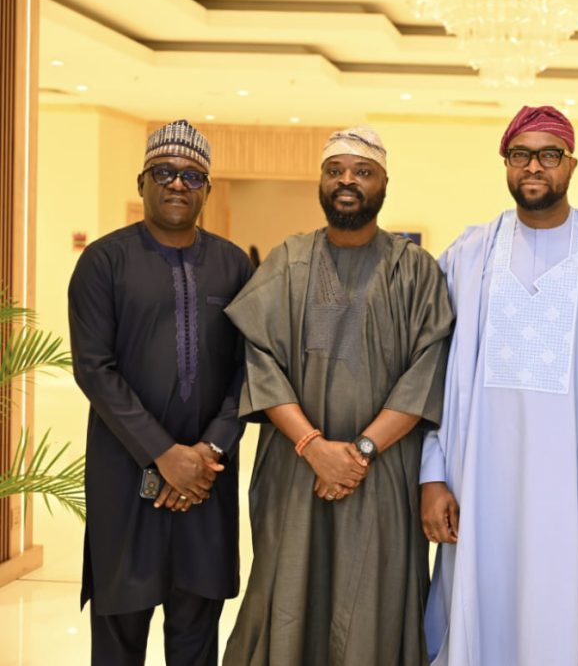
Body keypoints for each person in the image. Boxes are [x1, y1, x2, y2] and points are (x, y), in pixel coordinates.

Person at [421, 105, 578, 665]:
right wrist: (433, 474)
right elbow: (432, 371)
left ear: (571, 164)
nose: (534, 167)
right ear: (505, 163)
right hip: (480, 482)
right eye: (520, 155)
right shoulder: (466, 257)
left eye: (549, 155)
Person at [221, 125, 454, 665]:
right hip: (295, 469)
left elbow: (428, 369)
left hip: (383, 473)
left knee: (376, 598)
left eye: (362, 171)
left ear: (384, 184)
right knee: (287, 589)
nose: (347, 180)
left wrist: (360, 452)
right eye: (335, 170)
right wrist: (314, 448)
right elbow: (259, 360)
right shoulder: (287, 261)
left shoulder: (414, 270)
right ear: (321, 182)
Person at [68, 119, 252, 665]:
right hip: (125, 478)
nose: (177, 183)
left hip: (207, 482)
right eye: (164, 172)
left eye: (192, 176)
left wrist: (208, 451)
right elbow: (94, 368)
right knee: (119, 636)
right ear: (142, 181)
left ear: (207, 190)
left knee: (197, 632)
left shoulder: (233, 265)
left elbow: (251, 369)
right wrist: (164, 455)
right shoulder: (104, 261)